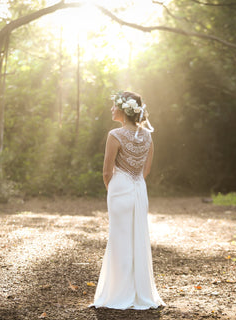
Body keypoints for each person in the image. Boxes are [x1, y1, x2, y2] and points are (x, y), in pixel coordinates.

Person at [90, 91, 165, 310]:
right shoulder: (148, 136)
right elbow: (146, 170)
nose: (111, 109)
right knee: (138, 239)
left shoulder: (115, 135)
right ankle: (140, 293)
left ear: (123, 110)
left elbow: (106, 171)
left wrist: (112, 189)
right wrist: (134, 185)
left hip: (120, 188)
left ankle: (117, 294)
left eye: (114, 106)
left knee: (119, 239)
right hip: (139, 189)